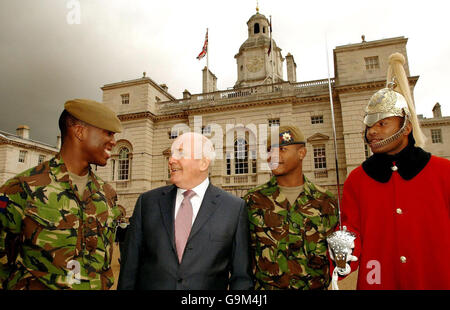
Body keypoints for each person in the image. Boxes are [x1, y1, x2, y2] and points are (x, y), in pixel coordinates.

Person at [332, 53, 450, 289]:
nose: (372, 132)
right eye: (369, 125)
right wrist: (341, 249)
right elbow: (351, 230)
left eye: (382, 123)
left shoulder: (443, 172)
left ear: (405, 127)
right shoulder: (357, 179)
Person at [0, 99, 125, 290]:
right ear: (79, 131)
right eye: (108, 133)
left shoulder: (107, 194)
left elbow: (104, 266)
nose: (114, 141)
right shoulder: (21, 188)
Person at [117, 132, 253, 290]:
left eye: (180, 153)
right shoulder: (147, 203)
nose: (171, 160)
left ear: (203, 163)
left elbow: (242, 279)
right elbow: (129, 271)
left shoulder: (234, 208)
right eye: (171, 154)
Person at [244, 125, 338, 289]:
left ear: (301, 153)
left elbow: (333, 254)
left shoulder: (325, 201)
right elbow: (243, 256)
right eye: (269, 151)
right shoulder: (253, 200)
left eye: (282, 149)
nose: (273, 156)